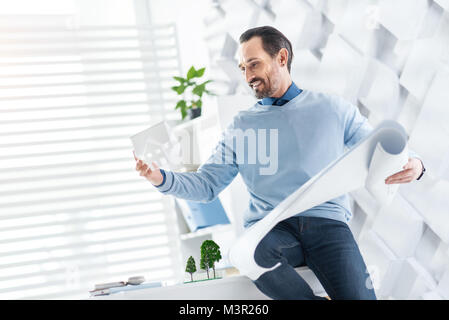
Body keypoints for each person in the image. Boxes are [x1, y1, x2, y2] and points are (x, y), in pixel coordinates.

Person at [133, 26, 425, 300]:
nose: (248, 75)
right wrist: (162, 178)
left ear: (281, 57)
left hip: (328, 226)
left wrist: (416, 165)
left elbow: (379, 148)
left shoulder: (332, 110)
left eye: (254, 64)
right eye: (243, 68)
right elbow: (206, 185)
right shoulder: (241, 127)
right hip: (272, 230)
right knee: (246, 253)